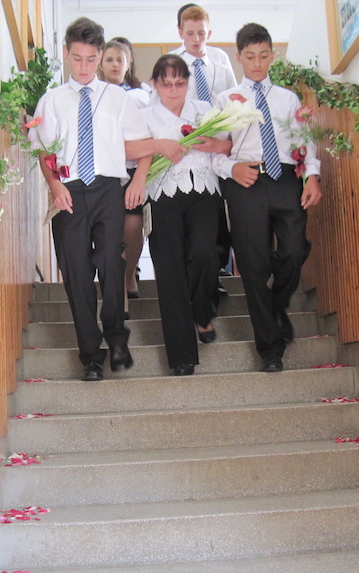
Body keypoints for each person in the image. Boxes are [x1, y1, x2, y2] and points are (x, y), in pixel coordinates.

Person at [29, 17, 153, 382]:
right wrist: (54, 185)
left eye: (90, 59)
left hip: (108, 190)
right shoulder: (52, 101)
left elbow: (143, 145)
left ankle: (116, 337)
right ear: (67, 54)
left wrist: (138, 180)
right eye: (77, 58)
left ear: (100, 56)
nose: (83, 67)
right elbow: (44, 152)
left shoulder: (118, 99)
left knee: (111, 263)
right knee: (76, 273)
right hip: (68, 192)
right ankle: (91, 356)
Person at [213, 23, 322, 373]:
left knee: (294, 249)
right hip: (246, 181)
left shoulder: (287, 99)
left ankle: (276, 305)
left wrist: (312, 176)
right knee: (253, 265)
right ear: (239, 58)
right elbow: (213, 152)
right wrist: (232, 169)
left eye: (263, 56)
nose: (257, 63)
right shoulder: (226, 100)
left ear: (272, 56)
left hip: (286, 179)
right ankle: (270, 349)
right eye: (250, 57)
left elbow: (305, 141)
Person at [129, 54, 231, 376]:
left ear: (188, 83)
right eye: (167, 84)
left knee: (205, 253)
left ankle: (202, 311)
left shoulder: (204, 110)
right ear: (155, 85)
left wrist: (214, 144)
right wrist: (158, 145)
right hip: (162, 196)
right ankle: (182, 355)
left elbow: (229, 147)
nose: (174, 90)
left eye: (180, 83)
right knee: (170, 269)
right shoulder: (143, 115)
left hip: (204, 191)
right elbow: (126, 149)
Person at [171, 4, 236, 294]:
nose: (196, 39)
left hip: (218, 148)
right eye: (190, 33)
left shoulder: (220, 61)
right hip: (188, 148)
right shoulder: (173, 62)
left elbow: (234, 101)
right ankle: (191, 273)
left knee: (218, 210)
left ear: (209, 32)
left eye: (201, 33)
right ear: (180, 33)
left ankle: (217, 270)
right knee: (192, 211)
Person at [99, 39, 149, 315]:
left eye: (120, 59)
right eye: (109, 59)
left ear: (129, 63)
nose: (115, 64)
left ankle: (129, 273)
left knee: (132, 225)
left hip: (133, 170)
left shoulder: (141, 96)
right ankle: (118, 292)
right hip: (104, 171)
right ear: (101, 63)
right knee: (110, 232)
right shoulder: (94, 94)